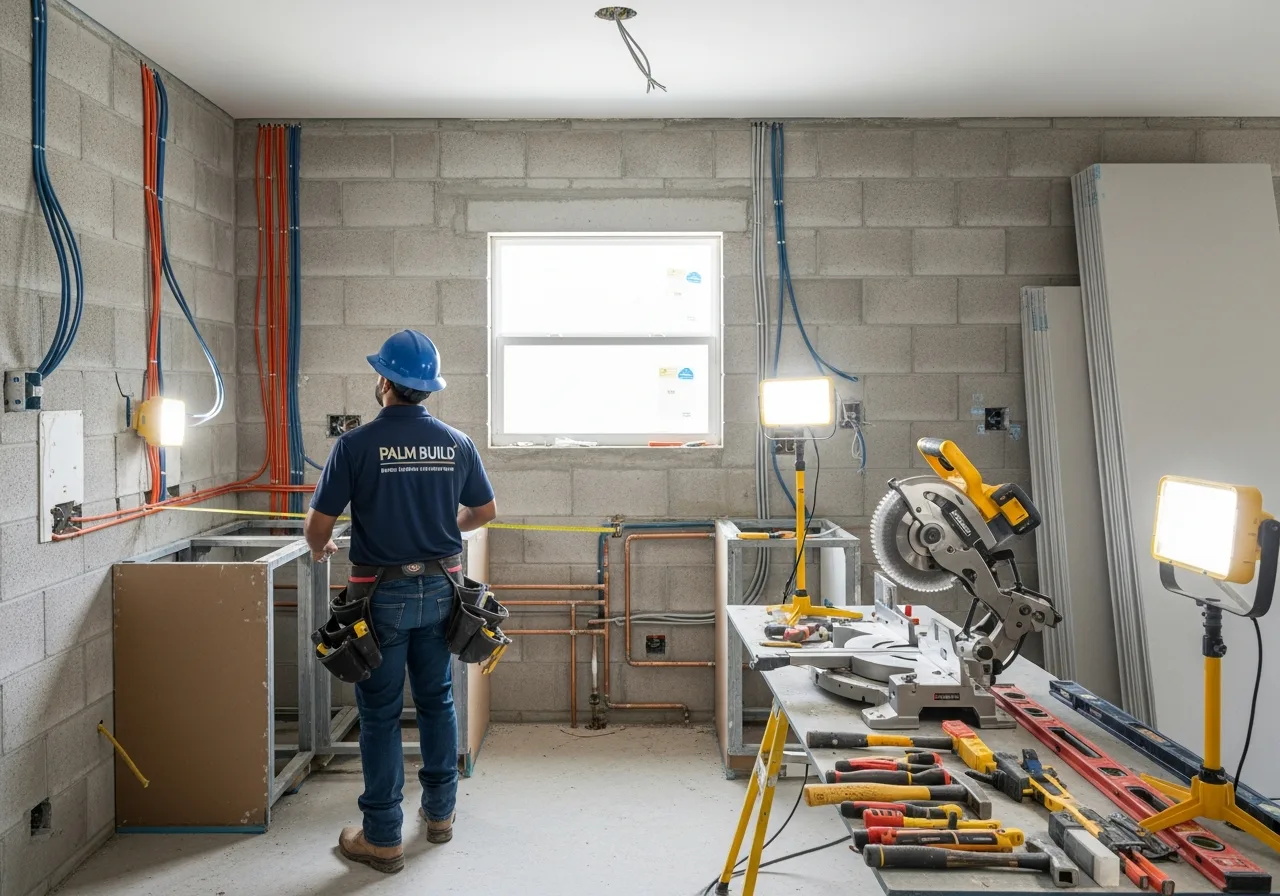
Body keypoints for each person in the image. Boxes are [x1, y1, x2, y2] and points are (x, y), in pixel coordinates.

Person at [304, 329, 497, 874]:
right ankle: (440, 815)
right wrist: (444, 531)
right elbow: (484, 511)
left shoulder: (355, 445)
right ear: (426, 388)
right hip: (442, 590)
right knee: (437, 699)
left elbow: (318, 527)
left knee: (381, 713)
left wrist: (322, 550)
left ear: (384, 381)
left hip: (378, 595)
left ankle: (383, 835)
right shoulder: (456, 442)